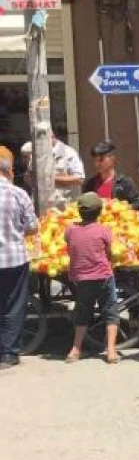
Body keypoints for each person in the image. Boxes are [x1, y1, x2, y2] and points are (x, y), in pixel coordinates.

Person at [64, 193, 120, 364]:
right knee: (110, 311)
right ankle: (111, 350)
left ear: (79, 212)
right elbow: (109, 252)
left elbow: (68, 243)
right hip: (103, 276)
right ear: (100, 211)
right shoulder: (104, 230)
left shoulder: (71, 229)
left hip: (81, 279)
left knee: (82, 312)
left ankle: (75, 349)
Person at [0, 147, 38, 370]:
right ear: (9, 172)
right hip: (14, 259)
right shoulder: (18, 194)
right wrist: (17, 232)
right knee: (13, 305)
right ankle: (9, 354)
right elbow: (32, 227)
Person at [83, 141, 139, 209]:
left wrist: (121, 208)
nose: (97, 164)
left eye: (101, 160)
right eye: (95, 160)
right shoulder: (90, 184)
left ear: (112, 159)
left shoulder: (124, 182)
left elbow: (137, 204)